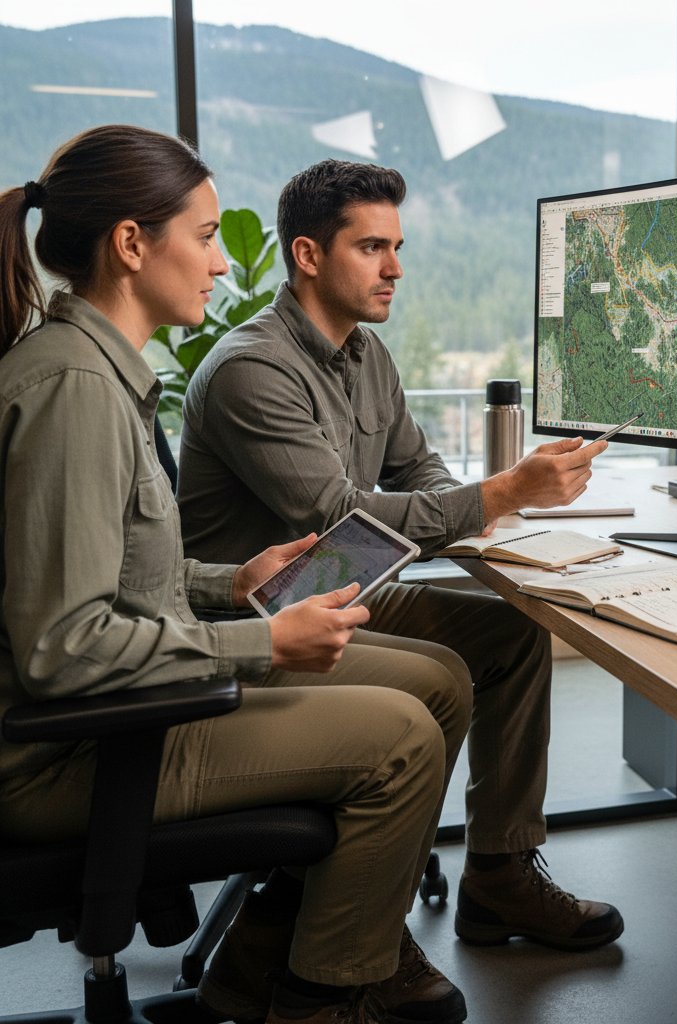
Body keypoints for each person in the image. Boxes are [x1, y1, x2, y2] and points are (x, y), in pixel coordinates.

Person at [0, 127, 471, 1024]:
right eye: (207, 235)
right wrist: (264, 641)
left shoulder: (99, 375)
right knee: (404, 738)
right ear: (133, 245)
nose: (222, 264)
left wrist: (233, 583)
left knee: (439, 684)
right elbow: (65, 649)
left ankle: (274, 948)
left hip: (118, 703)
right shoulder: (71, 391)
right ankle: (318, 997)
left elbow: (111, 573)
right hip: (70, 750)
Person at [175, 159, 624, 975]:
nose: (396, 268)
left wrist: (507, 513)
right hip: (263, 615)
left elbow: (415, 475)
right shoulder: (254, 368)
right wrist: (501, 492)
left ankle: (500, 871)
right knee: (445, 672)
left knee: (511, 633)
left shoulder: (366, 354)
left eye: (399, 246)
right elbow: (339, 514)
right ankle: (351, 908)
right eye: (373, 247)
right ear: (308, 256)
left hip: (344, 587)